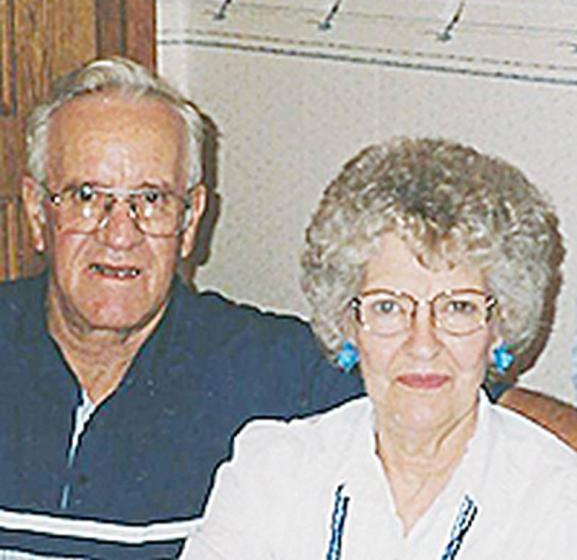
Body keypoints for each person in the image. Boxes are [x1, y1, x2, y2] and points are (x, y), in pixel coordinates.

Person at [0, 57, 361, 559]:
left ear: (190, 221)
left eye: (151, 199)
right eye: (87, 195)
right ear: (38, 213)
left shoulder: (273, 370)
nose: (119, 233)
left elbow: (441, 422)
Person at [182, 138, 577, 559]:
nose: (422, 344)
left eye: (458, 307)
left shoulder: (556, 500)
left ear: (500, 325)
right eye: (388, 307)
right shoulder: (273, 470)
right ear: (348, 322)